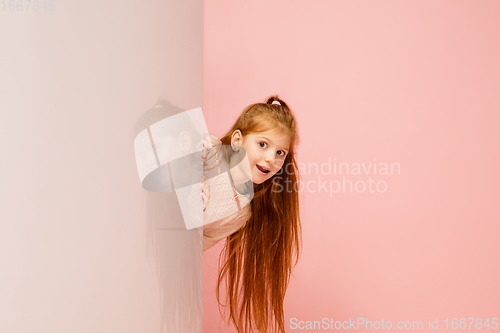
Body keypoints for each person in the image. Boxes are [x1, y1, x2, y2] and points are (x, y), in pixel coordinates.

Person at [201, 95, 302, 333]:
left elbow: (196, 245)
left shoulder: (240, 212)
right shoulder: (208, 151)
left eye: (281, 153)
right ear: (238, 140)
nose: (271, 158)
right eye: (263, 145)